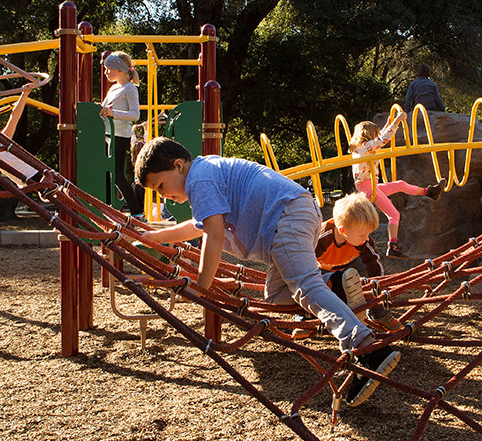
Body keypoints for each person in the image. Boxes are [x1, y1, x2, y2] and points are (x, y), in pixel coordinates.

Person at [135, 137, 400, 407]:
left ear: (177, 166)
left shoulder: (198, 180)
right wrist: (157, 237)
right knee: (276, 298)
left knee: (305, 287)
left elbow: (213, 236)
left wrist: (201, 286)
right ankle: (335, 287)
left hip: (285, 215)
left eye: (160, 185)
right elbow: (199, 225)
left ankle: (366, 347)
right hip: (292, 214)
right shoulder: (207, 171)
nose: (162, 194)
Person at [349, 111, 446, 259]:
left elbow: (379, 139)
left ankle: (429, 192)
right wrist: (398, 121)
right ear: (369, 135)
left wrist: (389, 123)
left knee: (400, 184)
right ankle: (392, 246)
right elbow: (383, 139)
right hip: (368, 188)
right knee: (394, 214)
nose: (377, 136)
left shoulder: (361, 147)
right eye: (375, 133)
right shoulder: (365, 147)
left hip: (370, 185)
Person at [317, 193, 402, 333]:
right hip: (323, 267)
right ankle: (304, 316)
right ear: (343, 231)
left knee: (369, 277)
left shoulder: (363, 241)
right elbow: (304, 263)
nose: (367, 238)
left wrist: (376, 285)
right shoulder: (322, 237)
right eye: (363, 235)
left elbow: (373, 263)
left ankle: (378, 312)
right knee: (310, 284)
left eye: (368, 234)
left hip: (351, 264)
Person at [101, 51, 144, 218]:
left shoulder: (130, 88)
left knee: (118, 175)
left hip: (120, 135)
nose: (106, 72)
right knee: (108, 174)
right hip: (107, 134)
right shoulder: (113, 88)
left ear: (119, 69)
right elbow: (107, 108)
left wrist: (112, 113)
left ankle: (136, 213)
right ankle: (107, 208)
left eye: (108, 69)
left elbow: (135, 115)